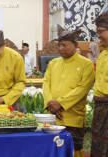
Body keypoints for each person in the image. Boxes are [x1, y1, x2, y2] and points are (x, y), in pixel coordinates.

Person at [43, 24, 94, 157]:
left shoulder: (86, 64)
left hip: (72, 116)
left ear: (75, 44)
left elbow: (83, 88)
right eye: (59, 45)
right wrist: (51, 105)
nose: (60, 48)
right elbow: (46, 84)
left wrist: (60, 103)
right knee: (53, 149)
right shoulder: (53, 63)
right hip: (53, 116)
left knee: (74, 150)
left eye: (64, 45)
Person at [90, 11, 108, 157]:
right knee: (98, 148)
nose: (99, 36)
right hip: (100, 110)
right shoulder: (102, 56)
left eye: (101, 31)